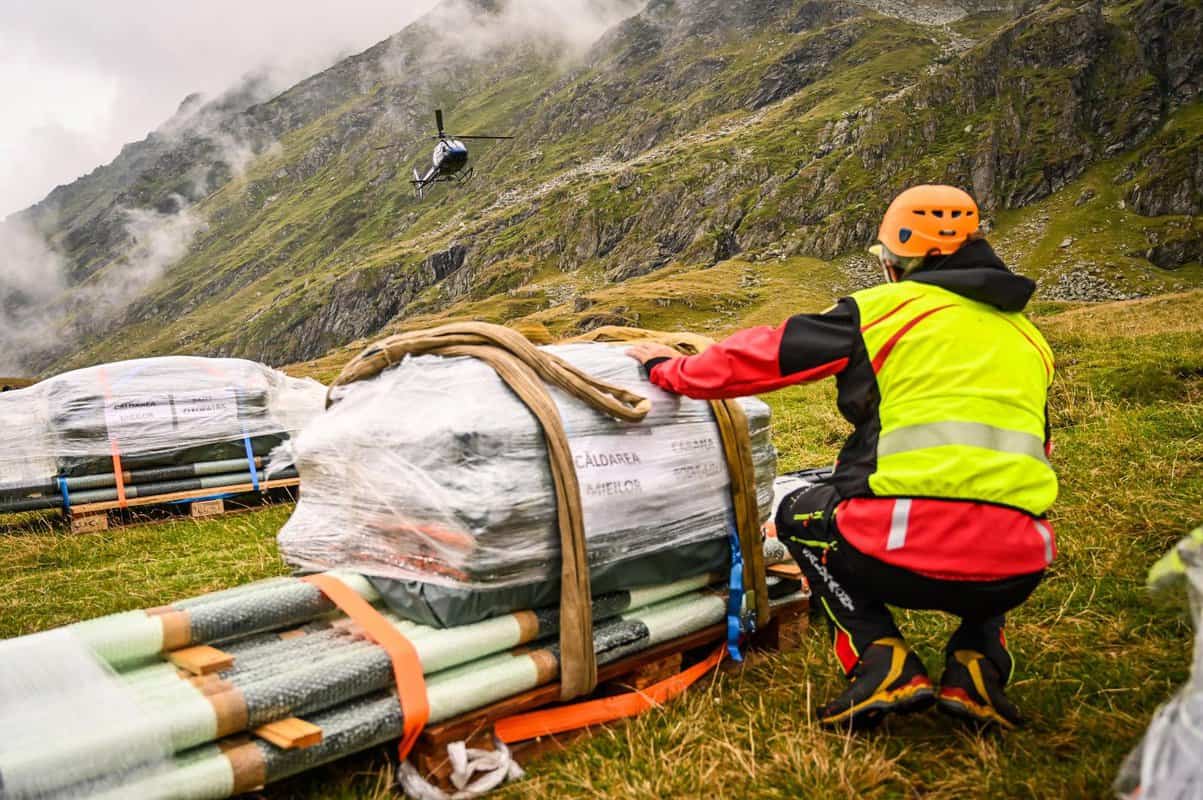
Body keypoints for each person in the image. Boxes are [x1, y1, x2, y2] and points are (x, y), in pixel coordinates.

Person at [627, 184, 1056, 730]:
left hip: (900, 553)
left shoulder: (884, 311)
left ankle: (883, 661)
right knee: (993, 517)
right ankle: (977, 667)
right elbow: (1038, 450)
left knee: (797, 515)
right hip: (1018, 566)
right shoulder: (1029, 338)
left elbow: (763, 357)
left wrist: (670, 369)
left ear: (899, 260)